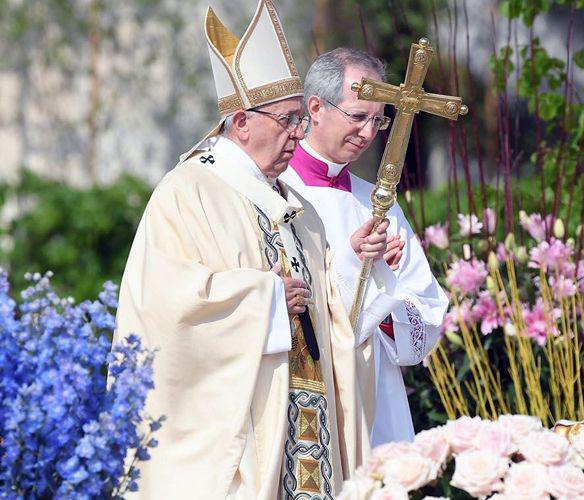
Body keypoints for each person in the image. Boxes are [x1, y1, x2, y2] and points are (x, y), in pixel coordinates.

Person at [112, 3, 386, 497]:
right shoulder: (187, 192)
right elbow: (164, 305)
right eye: (287, 120)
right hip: (239, 433)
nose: (299, 132)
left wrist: (356, 265)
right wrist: (265, 298)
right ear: (241, 121)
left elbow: (334, 315)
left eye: (300, 119)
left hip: (309, 421)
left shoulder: (299, 208)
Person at [279, 48, 449, 447]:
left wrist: (383, 286)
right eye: (358, 117)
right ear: (316, 108)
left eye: (378, 120)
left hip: (376, 396)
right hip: (305, 384)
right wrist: (356, 267)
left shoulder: (378, 202)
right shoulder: (278, 192)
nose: (369, 133)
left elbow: (427, 316)